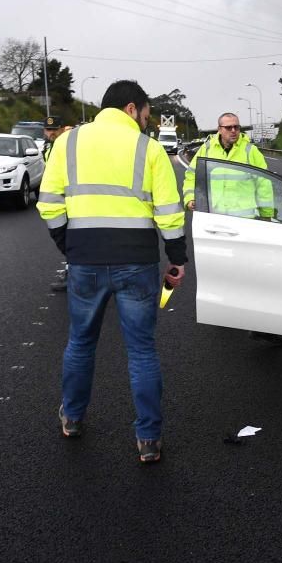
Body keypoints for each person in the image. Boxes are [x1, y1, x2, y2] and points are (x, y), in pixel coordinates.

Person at [36, 80, 187, 463]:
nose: (147, 121)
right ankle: (148, 439)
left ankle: (71, 418)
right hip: (136, 262)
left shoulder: (66, 143)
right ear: (132, 108)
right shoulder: (148, 148)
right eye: (147, 113)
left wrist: (69, 246)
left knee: (81, 343)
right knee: (141, 351)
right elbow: (169, 211)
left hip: (85, 260)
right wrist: (177, 258)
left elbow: (49, 203)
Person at [184, 112, 282, 346]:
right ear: (218, 129)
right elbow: (191, 177)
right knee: (220, 271)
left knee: (251, 275)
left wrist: (267, 216)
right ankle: (224, 312)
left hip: (246, 223)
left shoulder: (250, 151)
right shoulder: (206, 151)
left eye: (236, 127)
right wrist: (189, 199)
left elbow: (265, 183)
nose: (233, 131)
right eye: (228, 127)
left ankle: (256, 324)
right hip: (216, 225)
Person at [43, 115, 72, 292]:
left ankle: (73, 273)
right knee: (65, 238)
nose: (51, 133)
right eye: (48, 130)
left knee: (68, 238)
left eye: (55, 130)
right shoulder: (49, 148)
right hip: (56, 200)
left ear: (62, 129)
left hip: (69, 200)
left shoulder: (69, 146)